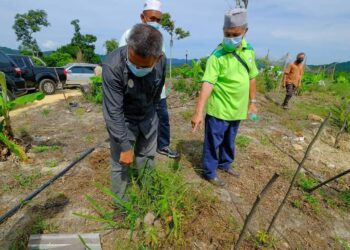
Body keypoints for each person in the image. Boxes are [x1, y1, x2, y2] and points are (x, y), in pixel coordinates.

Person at [191, 9, 259, 187]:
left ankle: (225, 164)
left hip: (238, 109)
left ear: (245, 31)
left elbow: (252, 77)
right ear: (222, 31)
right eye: (227, 34)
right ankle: (209, 172)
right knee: (213, 142)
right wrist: (198, 112)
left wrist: (253, 103)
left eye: (235, 35)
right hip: (219, 109)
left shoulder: (249, 51)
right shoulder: (217, 55)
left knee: (230, 140)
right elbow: (207, 84)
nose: (230, 38)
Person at [102, 24, 165, 201]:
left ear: (157, 59)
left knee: (147, 158)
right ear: (129, 47)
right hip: (123, 118)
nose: (137, 69)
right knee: (121, 162)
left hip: (148, 114)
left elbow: (157, 92)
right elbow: (113, 111)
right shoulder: (112, 65)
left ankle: (149, 194)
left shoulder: (162, 62)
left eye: (143, 66)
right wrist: (124, 144)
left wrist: (151, 117)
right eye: (133, 62)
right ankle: (121, 205)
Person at [119, 0, 179, 159]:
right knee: (136, 121)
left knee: (162, 118)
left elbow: (161, 65)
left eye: (158, 20)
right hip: (137, 90)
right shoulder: (129, 35)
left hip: (157, 91)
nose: (155, 23)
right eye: (152, 18)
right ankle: (132, 149)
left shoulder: (159, 38)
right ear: (142, 17)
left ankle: (163, 145)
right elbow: (122, 64)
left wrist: (162, 85)